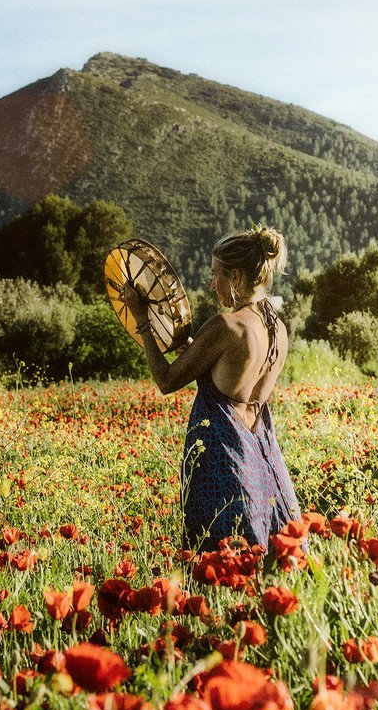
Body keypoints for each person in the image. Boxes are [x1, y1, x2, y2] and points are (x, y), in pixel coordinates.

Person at [123, 228, 303, 550]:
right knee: (262, 551)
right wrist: (198, 352)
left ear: (235, 276)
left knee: (218, 558)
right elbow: (236, 376)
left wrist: (143, 322)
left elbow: (166, 381)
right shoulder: (277, 328)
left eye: (215, 274)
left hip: (220, 460)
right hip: (261, 456)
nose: (211, 283)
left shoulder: (226, 325)